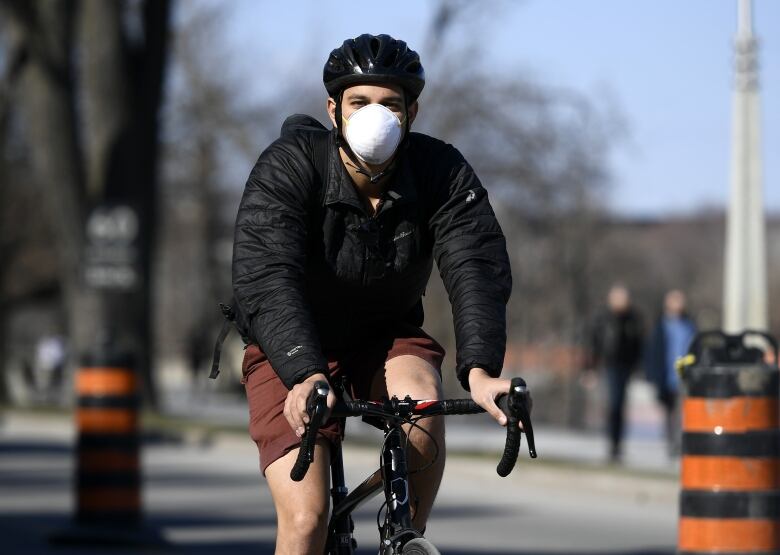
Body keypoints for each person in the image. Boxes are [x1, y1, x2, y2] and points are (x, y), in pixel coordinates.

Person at [232, 34, 513, 553]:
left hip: (385, 337)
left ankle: (406, 539)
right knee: (307, 519)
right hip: (290, 347)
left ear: (412, 111)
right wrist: (304, 371)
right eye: (360, 102)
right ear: (333, 108)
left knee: (422, 412)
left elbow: (476, 264)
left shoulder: (441, 171)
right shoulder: (291, 164)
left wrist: (480, 370)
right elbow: (266, 274)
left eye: (390, 104)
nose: (375, 116)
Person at [586, 284, 643, 462]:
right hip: (608, 366)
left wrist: (638, 367)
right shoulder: (603, 318)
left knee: (620, 405)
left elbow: (639, 344)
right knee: (613, 404)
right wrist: (590, 369)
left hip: (625, 367)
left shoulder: (633, 319)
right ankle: (612, 443)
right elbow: (594, 344)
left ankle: (617, 444)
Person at [645, 289, 696, 457]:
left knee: (683, 412)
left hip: (684, 376)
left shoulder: (689, 325)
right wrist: (652, 375)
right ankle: (670, 444)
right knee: (669, 412)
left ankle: (680, 443)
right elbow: (653, 352)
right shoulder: (660, 326)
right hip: (666, 375)